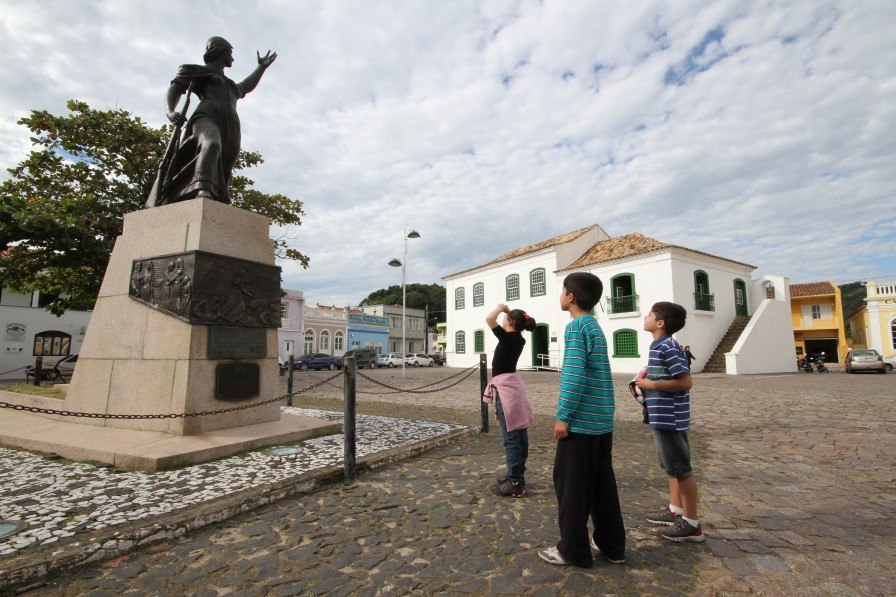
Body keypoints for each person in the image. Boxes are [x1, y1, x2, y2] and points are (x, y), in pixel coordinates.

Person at [538, 273, 626, 567]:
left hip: (582, 424)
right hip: (602, 422)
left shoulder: (576, 328)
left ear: (571, 297)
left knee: (571, 487)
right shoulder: (595, 327)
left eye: (563, 290)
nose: (561, 295)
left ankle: (573, 549)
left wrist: (563, 416)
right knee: (602, 486)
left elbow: (573, 376)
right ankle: (612, 545)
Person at [146, 37, 277, 207]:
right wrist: (170, 112)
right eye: (230, 53)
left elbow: (245, 87)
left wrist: (261, 68)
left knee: (225, 165)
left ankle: (219, 199)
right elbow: (176, 87)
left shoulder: (230, 84)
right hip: (206, 114)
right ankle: (202, 189)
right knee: (212, 144)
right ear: (220, 51)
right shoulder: (198, 71)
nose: (233, 58)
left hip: (230, 122)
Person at [636, 302, 704, 542]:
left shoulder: (668, 346)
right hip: (661, 417)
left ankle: (692, 523)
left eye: (650, 315)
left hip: (671, 419)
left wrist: (650, 385)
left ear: (660, 323)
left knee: (682, 469)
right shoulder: (658, 345)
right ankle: (676, 508)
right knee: (672, 467)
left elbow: (685, 382)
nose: (646, 317)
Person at [482, 304, 536, 497]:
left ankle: (515, 482)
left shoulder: (508, 338)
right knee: (520, 435)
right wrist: (509, 314)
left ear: (510, 322)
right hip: (514, 390)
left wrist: (500, 308)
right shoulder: (519, 340)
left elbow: (489, 319)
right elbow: (499, 322)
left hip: (507, 394)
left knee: (511, 438)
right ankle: (518, 474)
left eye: (506, 319)